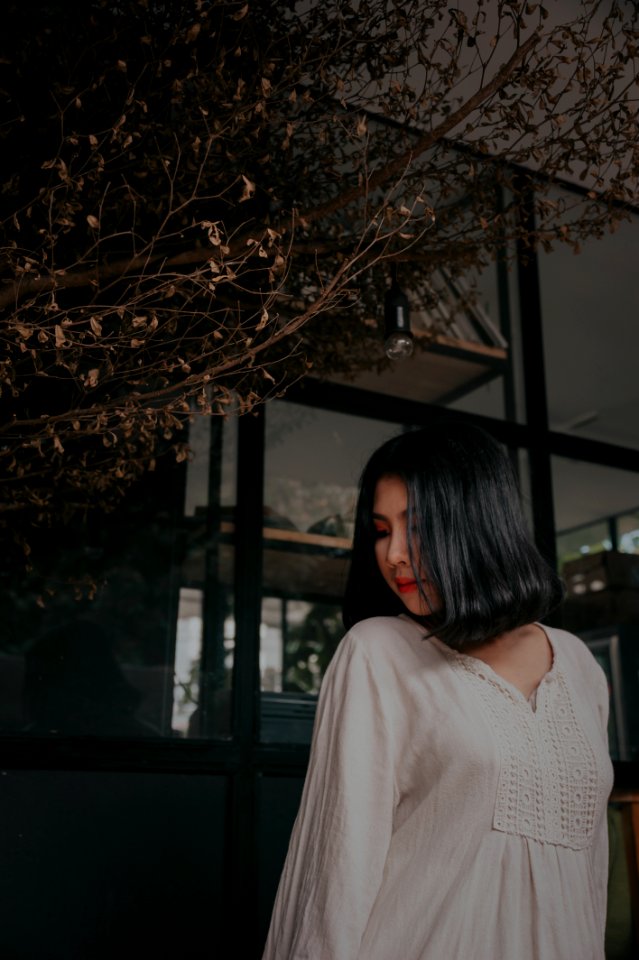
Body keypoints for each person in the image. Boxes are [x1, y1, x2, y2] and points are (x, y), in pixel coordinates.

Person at [262, 422, 613, 960]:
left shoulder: (580, 666)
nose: (395, 554)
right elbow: (337, 866)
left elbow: (590, 871)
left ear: (481, 525)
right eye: (381, 531)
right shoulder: (377, 651)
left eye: (419, 526)